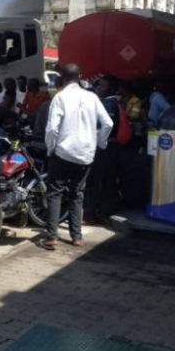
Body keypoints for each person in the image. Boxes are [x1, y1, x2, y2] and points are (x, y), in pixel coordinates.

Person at [41, 65, 113, 250]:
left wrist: (51, 149)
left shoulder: (60, 97)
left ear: (62, 77)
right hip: (86, 154)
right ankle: (77, 236)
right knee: (77, 194)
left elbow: (52, 129)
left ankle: (51, 236)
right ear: (80, 77)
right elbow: (108, 123)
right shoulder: (92, 96)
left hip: (63, 152)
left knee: (55, 193)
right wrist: (99, 143)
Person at [85, 76, 122, 224]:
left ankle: (98, 213)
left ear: (110, 89)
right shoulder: (102, 103)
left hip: (104, 149)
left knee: (102, 181)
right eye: (99, 85)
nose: (99, 88)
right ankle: (94, 213)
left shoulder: (109, 104)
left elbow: (107, 127)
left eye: (103, 85)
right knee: (97, 181)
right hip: (99, 148)